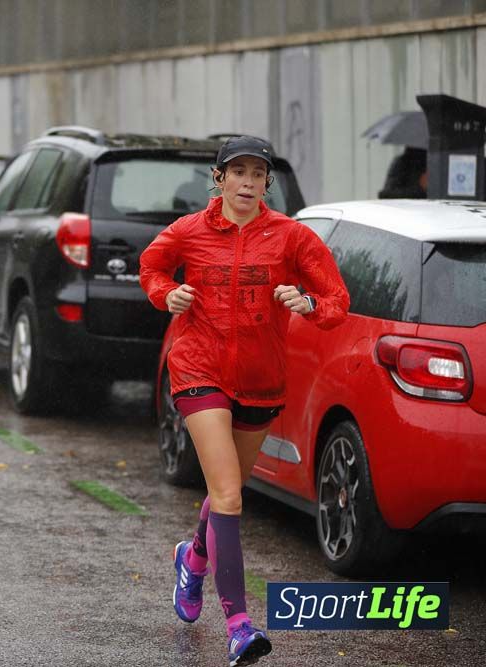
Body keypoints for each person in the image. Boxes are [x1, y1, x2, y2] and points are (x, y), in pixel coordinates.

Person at [139, 136, 349, 666]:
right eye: (238, 172)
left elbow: (336, 302)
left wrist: (305, 301)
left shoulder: (291, 238)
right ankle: (238, 624)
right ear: (219, 179)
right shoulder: (189, 231)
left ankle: (194, 555)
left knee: (224, 488)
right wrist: (168, 295)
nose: (248, 181)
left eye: (258, 173)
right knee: (230, 496)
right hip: (198, 367)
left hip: (260, 379)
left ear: (267, 183)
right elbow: (152, 266)